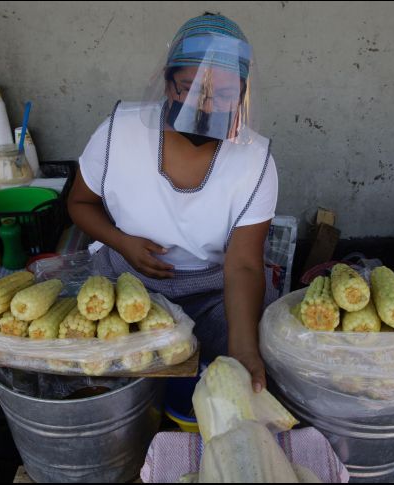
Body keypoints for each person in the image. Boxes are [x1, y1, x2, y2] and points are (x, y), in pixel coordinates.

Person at [68, 13, 278, 392]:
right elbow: (80, 203)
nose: (208, 106)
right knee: (102, 370)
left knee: (255, 361)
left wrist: (244, 352)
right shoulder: (119, 132)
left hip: (214, 292)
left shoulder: (255, 160)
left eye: (226, 95)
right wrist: (122, 242)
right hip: (127, 280)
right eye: (191, 88)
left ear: (243, 94)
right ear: (167, 86)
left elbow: (245, 266)